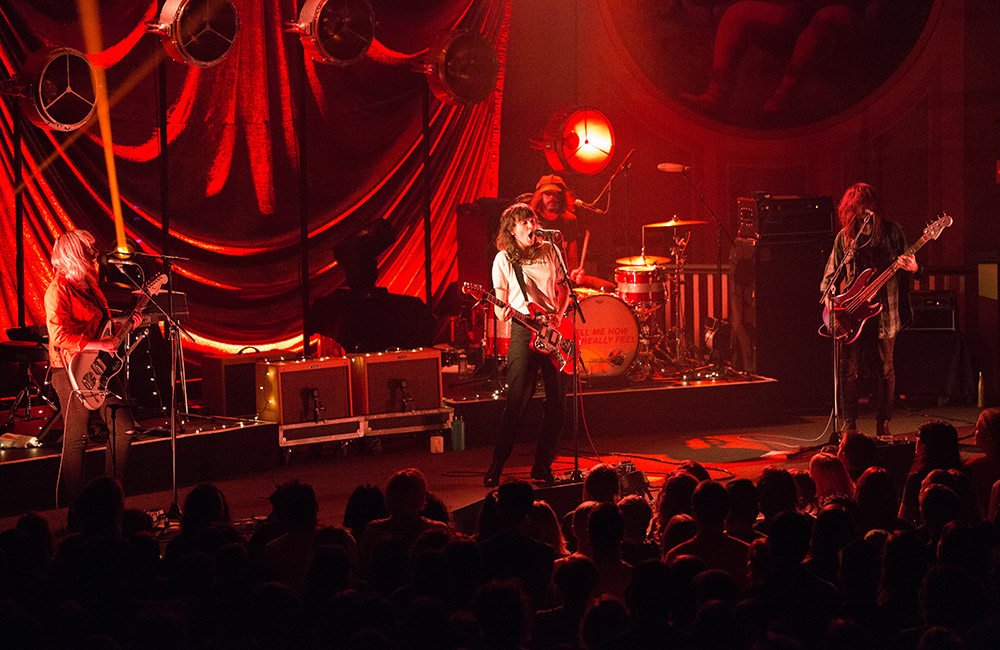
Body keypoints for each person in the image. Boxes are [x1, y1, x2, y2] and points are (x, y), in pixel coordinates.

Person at [45, 230, 141, 505]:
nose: (95, 251)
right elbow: (60, 337)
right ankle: (78, 510)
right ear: (75, 252)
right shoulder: (58, 290)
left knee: (124, 428)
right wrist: (100, 344)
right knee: (77, 437)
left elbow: (103, 326)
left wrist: (126, 326)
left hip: (101, 366)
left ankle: (108, 499)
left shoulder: (90, 281)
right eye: (88, 248)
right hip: (70, 371)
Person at [820, 182, 919, 438]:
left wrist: (913, 268)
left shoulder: (893, 232)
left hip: (885, 313)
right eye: (855, 209)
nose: (860, 214)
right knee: (846, 369)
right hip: (851, 314)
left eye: (864, 209)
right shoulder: (845, 238)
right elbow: (829, 277)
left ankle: (883, 424)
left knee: (885, 369)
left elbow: (916, 269)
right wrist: (833, 302)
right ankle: (848, 425)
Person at [484, 203, 572, 487]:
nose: (532, 226)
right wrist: (503, 311)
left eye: (533, 220)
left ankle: (543, 465)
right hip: (524, 331)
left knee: (557, 402)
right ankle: (496, 466)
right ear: (512, 229)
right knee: (516, 402)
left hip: (553, 331)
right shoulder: (503, 259)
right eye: (525, 222)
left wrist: (558, 316)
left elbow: (566, 289)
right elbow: (499, 304)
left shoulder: (551, 250)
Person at [530, 174, 611, 291]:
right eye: (548, 194)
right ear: (540, 196)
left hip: (561, 282)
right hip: (538, 282)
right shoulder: (531, 220)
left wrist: (574, 273)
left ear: (562, 196)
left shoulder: (569, 220)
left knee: (608, 289)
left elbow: (572, 257)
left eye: (556, 194)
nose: (552, 198)